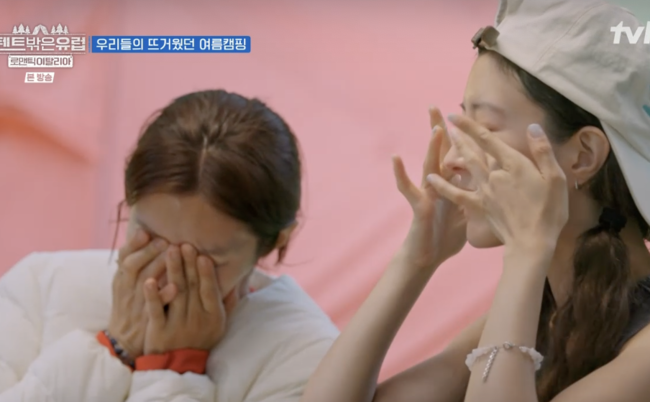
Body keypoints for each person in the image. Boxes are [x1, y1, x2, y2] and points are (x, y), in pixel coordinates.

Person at [300, 1, 650, 401]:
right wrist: (417, 259)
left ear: (583, 156)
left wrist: (525, 255)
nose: (452, 159)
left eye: (485, 130)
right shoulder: (543, 308)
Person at [0, 89, 339, 401]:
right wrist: (115, 347)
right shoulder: (40, 285)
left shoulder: (310, 357)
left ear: (275, 241)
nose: (167, 278)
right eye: (151, 240)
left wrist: (175, 369)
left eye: (205, 260)